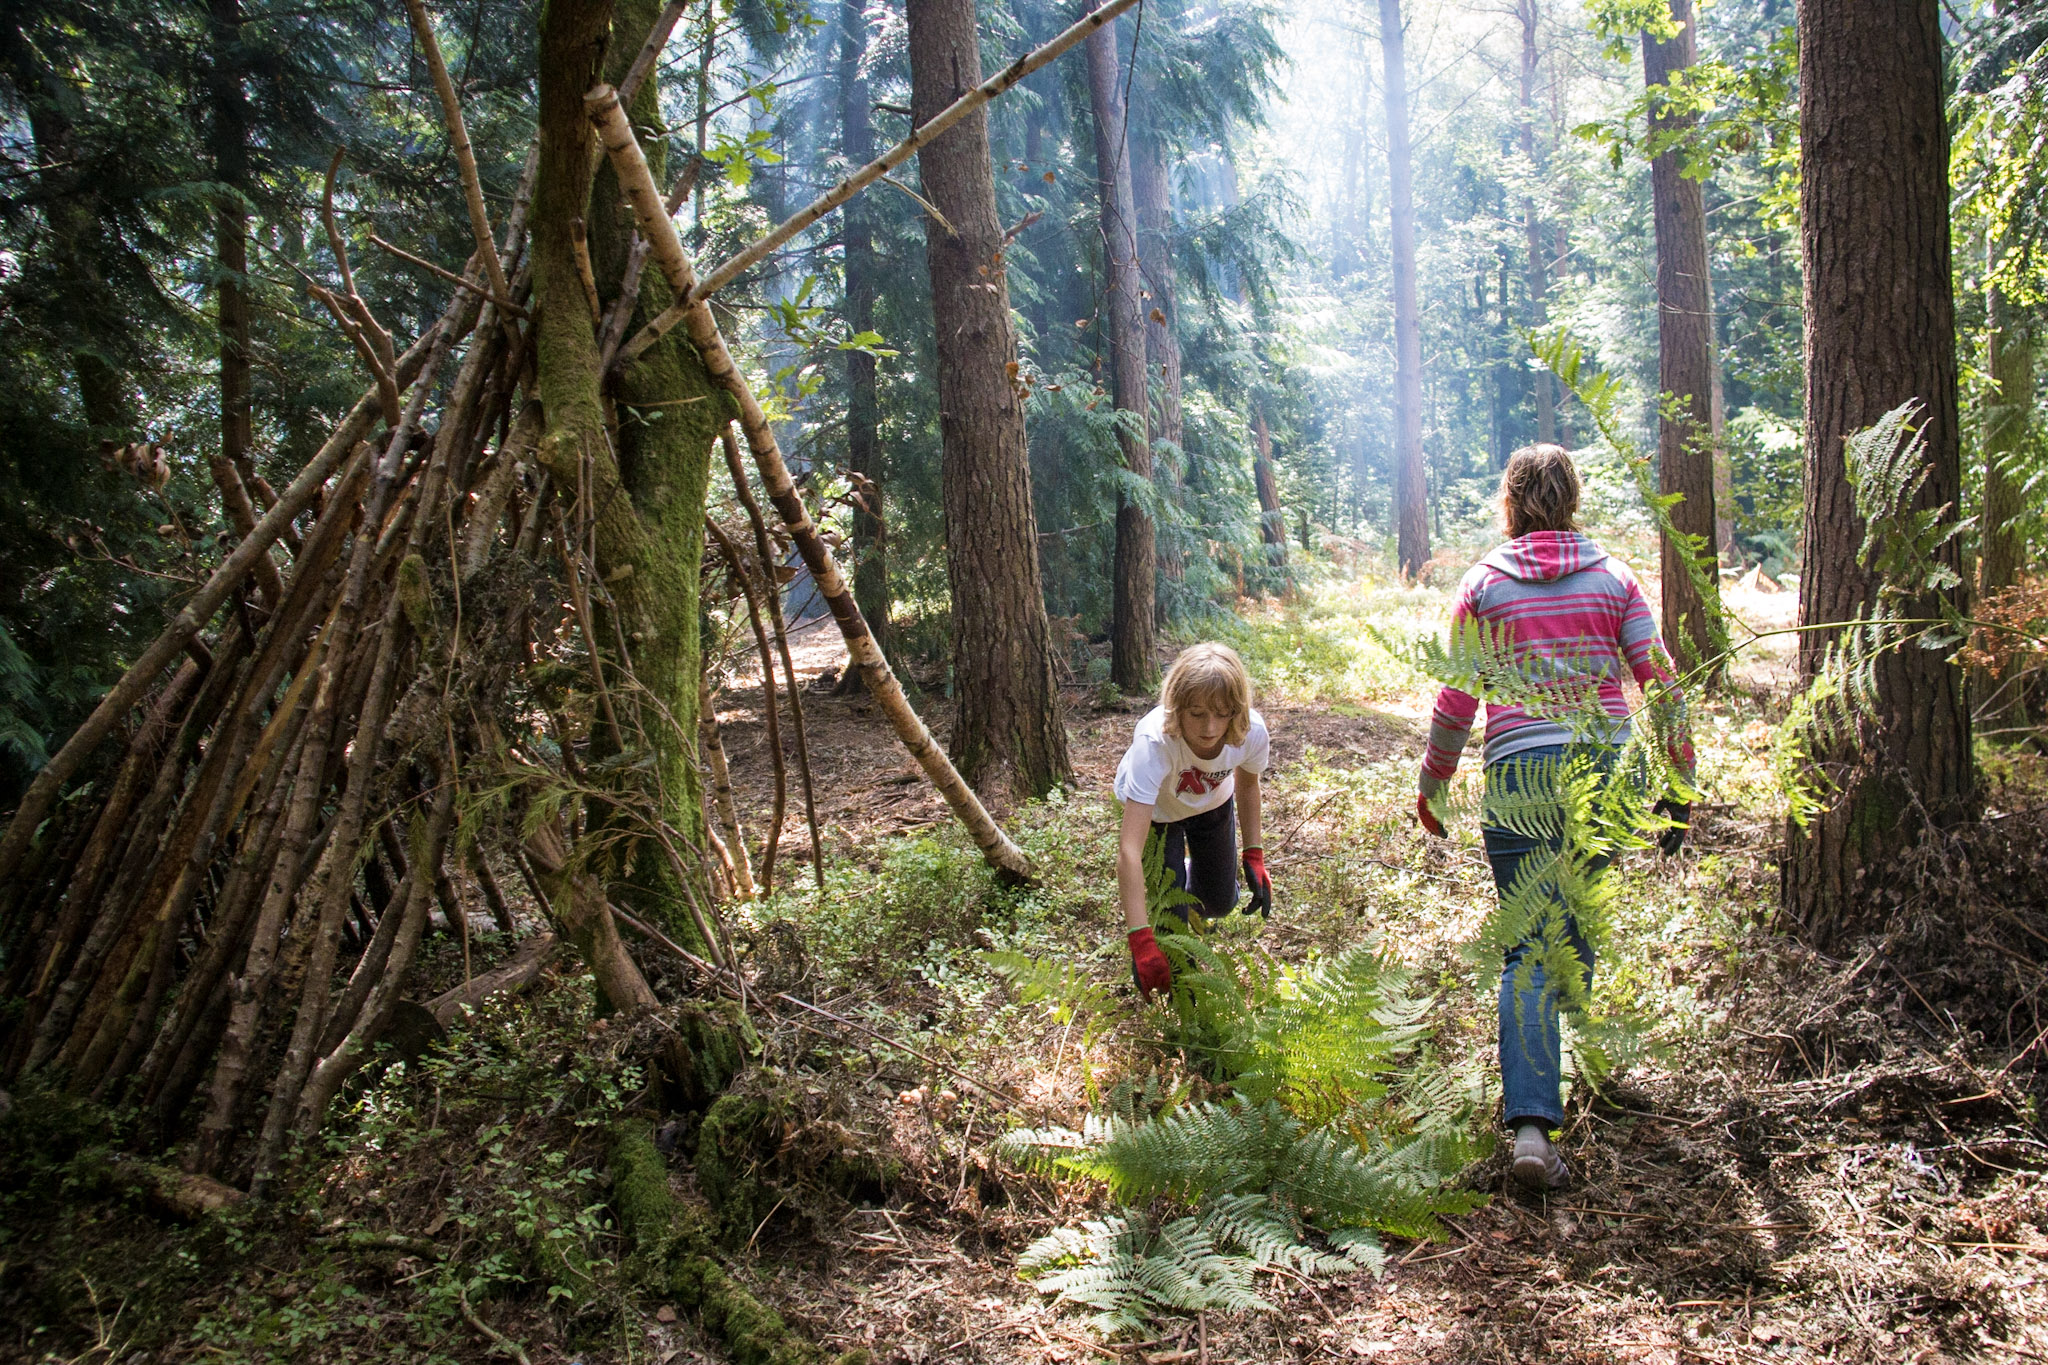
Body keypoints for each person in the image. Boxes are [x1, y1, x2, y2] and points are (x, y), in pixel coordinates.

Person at [1414, 444, 1694, 1191]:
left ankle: (1533, 1121)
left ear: (1510, 504)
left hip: (1518, 774)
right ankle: (1557, 1070)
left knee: (1529, 945)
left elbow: (1455, 703)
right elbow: (1662, 683)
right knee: (1572, 926)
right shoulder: (1615, 578)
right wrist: (1681, 780)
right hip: (1603, 772)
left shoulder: (1483, 584)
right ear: (1572, 500)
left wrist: (1432, 782)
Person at [1113, 643, 1273, 999]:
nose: (1210, 727)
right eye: (1197, 714)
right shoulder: (1154, 743)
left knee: (1219, 903)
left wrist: (1254, 854)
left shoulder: (1252, 732)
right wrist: (1140, 940)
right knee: (1171, 923)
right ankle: (1184, 994)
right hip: (1157, 814)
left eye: (1221, 713)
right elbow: (1129, 851)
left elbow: (1248, 786)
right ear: (1177, 707)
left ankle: (1187, 876)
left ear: (1237, 710)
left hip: (1212, 803)